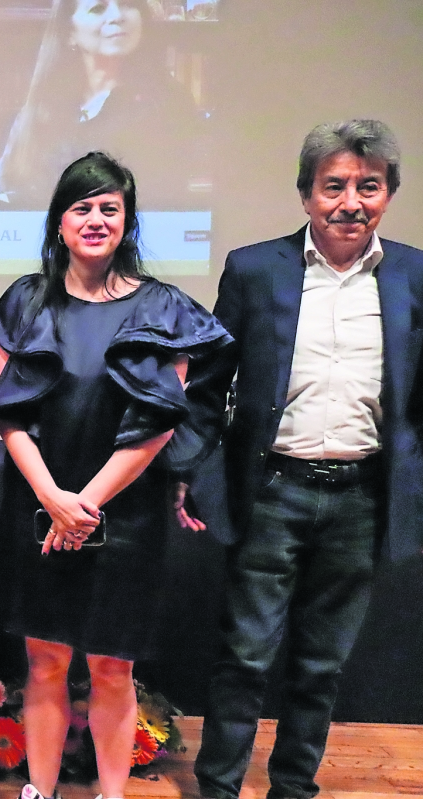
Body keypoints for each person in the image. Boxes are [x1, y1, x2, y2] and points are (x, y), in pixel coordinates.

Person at [186, 120, 423, 799]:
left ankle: (294, 787)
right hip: (272, 491)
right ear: (305, 195)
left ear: (388, 194)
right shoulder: (255, 268)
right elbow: (206, 387)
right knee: (245, 654)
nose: (351, 201)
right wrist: (199, 476)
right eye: (334, 186)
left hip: (361, 496)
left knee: (321, 664)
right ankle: (220, 788)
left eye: (368, 186)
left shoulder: (414, 275)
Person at [0, 152, 232, 799]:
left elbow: (159, 423)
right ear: (59, 220)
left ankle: (110, 793)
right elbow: (6, 412)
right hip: (38, 504)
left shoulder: (165, 308)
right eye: (81, 207)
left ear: (127, 219)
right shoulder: (24, 300)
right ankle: (38, 790)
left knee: (113, 668)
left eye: (108, 208)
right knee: (42, 662)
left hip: (124, 514)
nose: (95, 219)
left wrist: (85, 504)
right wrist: (53, 498)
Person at [0, 0, 207, 211]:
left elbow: (140, 192)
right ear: (70, 32)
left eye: (129, 5)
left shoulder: (167, 102)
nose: (117, 16)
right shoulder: (43, 107)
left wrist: (0, 203)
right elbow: (2, 185)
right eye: (98, 8)